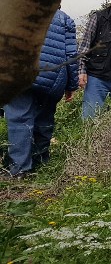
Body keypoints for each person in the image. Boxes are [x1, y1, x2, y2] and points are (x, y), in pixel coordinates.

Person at [3, 9, 78, 177]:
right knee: (45, 118)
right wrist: (71, 85)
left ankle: (20, 169)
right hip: (52, 77)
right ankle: (41, 162)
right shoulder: (65, 19)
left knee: (19, 120)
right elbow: (72, 54)